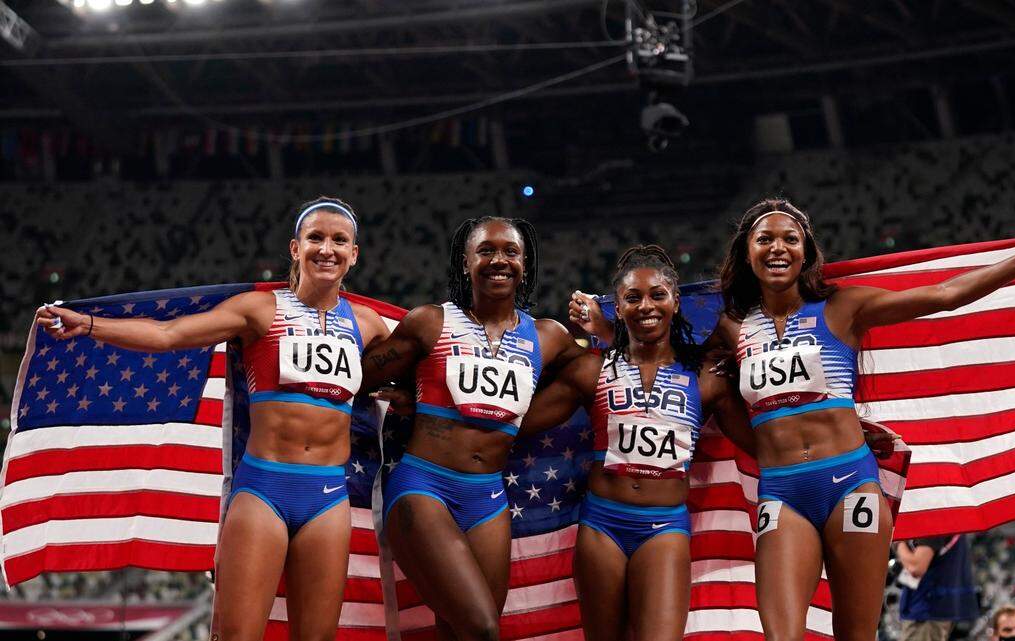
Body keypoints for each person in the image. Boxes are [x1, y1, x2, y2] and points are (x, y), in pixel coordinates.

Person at [570, 199, 1015, 641]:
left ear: (806, 251)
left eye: (791, 238)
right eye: (765, 239)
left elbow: (943, 295)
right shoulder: (730, 326)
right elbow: (658, 342)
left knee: (855, 633)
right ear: (748, 253)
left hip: (850, 483)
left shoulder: (844, 307)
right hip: (782, 491)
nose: (778, 247)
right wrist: (607, 325)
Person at [36, 198, 391, 641]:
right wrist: (88, 324)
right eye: (315, 238)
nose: (327, 249)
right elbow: (170, 335)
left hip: (329, 498)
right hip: (265, 490)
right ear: (295, 248)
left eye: (340, 240)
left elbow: (413, 376)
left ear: (354, 254)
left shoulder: (369, 324)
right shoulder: (260, 310)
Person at [359, 216, 584, 641]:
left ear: (525, 263)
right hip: (423, 489)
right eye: (486, 251)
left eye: (511, 252)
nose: (499, 260)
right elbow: (354, 377)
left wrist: (605, 329)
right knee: (481, 628)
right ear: (466, 263)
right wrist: (406, 390)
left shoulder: (548, 336)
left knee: (459, 630)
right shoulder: (430, 323)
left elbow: (591, 376)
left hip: (489, 498)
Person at [521, 246, 751, 641]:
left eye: (657, 295)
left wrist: (848, 432)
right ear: (619, 308)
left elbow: (763, 443)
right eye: (633, 297)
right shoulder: (591, 370)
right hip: (602, 526)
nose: (647, 306)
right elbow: (512, 421)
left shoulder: (706, 377)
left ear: (675, 302)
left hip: (663, 528)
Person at [894, 535, 980, 641]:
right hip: (937, 609)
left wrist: (898, 542)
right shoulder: (953, 524)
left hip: (926, 611)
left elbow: (916, 567)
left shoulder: (933, 524)